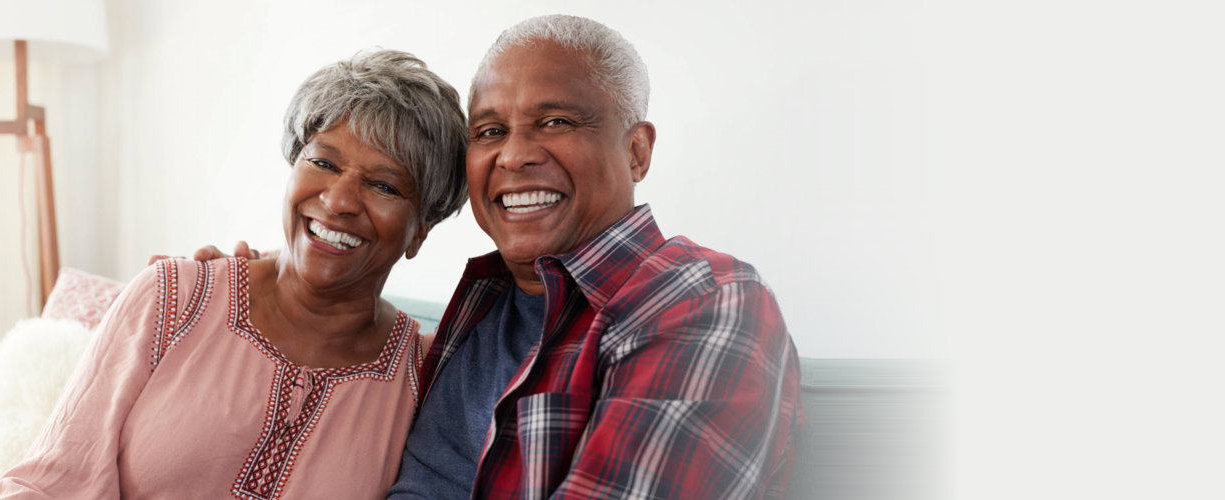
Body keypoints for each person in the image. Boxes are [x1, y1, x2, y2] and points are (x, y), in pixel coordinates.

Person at [186, 15, 804, 499]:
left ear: (637, 151)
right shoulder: (475, 317)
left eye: (556, 120)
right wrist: (254, 294)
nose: (513, 156)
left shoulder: (702, 301)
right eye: (488, 131)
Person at [0, 49, 469, 500]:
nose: (339, 201)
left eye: (383, 185)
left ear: (420, 230)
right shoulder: (173, 297)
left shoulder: (425, 378)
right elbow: (54, 482)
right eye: (323, 162)